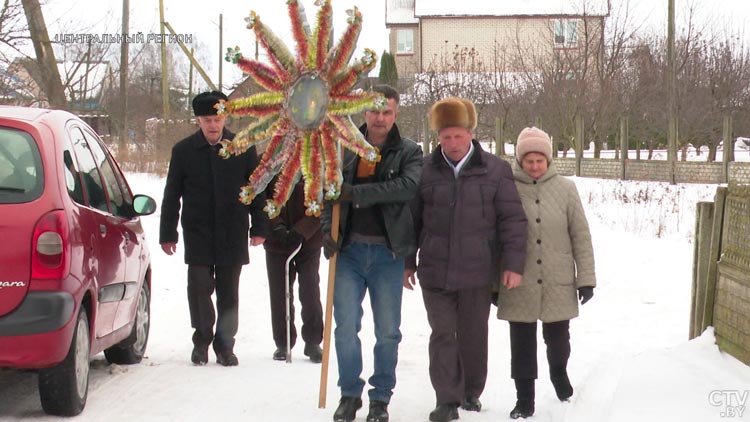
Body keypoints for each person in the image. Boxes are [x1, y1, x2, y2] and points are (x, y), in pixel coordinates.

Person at [404, 97, 528, 422]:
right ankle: (446, 399)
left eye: (459, 136)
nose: (453, 143)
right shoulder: (426, 171)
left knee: (473, 334)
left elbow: (512, 220)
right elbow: (412, 220)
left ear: (471, 133)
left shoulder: (495, 170)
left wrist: (513, 264)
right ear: (437, 138)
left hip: (477, 270)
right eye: (446, 137)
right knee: (442, 332)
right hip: (435, 270)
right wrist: (407, 261)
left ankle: (471, 390)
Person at [321, 84, 423, 422]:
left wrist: (357, 193)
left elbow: (405, 188)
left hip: (387, 256)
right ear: (364, 112)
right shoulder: (344, 149)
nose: (379, 118)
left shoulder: (409, 151)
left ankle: (380, 397)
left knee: (387, 331)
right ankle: (350, 393)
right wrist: (327, 231)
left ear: (395, 114)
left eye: (387, 112)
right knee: (345, 326)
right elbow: (329, 194)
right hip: (348, 253)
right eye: (374, 111)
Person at [159, 91, 270, 367]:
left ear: (225, 118)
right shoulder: (183, 151)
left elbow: (255, 189)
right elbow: (172, 194)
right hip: (198, 231)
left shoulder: (242, 147)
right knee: (198, 287)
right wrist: (167, 233)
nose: (213, 125)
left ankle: (225, 345)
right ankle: (202, 339)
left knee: (228, 292)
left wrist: (260, 226)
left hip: (232, 230)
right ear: (198, 121)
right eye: (207, 119)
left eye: (217, 119)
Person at [496, 126, 596, 419]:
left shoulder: (566, 188)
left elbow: (581, 235)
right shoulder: (507, 188)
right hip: (518, 279)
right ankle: (524, 399)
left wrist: (586, 279)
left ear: (549, 160)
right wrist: (494, 283)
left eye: (540, 160)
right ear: (520, 161)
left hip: (558, 278)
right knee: (522, 343)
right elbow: (496, 238)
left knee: (558, 338)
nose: (535, 166)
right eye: (529, 161)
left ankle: (558, 372)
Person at [263, 178, 324, 363]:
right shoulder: (268, 163)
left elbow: (324, 200)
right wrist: (277, 225)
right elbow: (261, 198)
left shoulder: (315, 163)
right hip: (277, 241)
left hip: (309, 239)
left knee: (310, 289)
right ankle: (283, 341)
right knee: (280, 291)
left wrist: (302, 230)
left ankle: (313, 340)